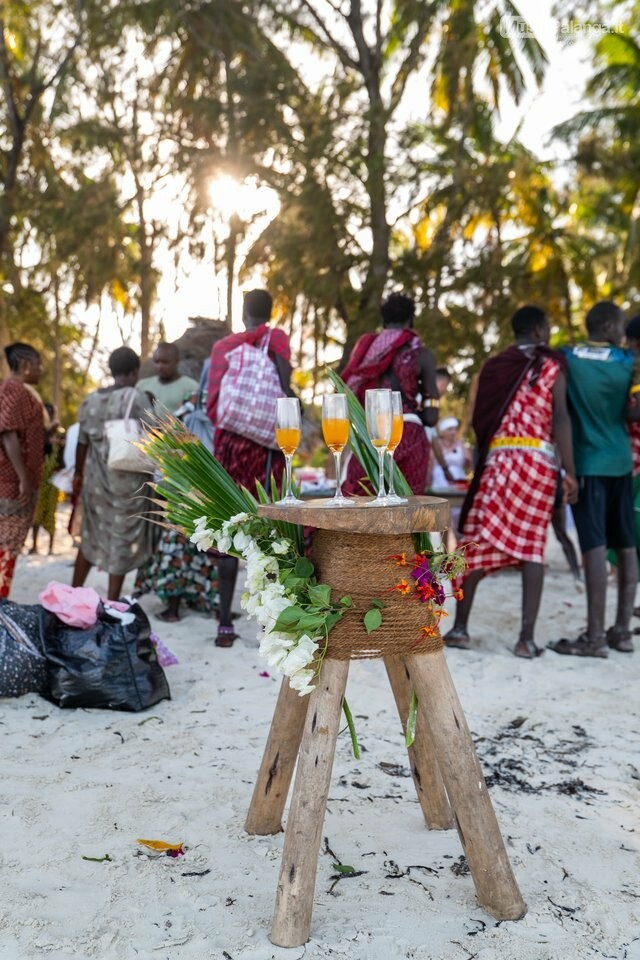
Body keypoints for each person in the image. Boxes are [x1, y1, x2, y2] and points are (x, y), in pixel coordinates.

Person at [446, 305, 578, 658]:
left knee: (475, 541)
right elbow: (561, 420)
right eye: (548, 326)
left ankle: (460, 629)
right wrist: (570, 471)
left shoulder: (493, 367)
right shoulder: (551, 366)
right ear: (537, 330)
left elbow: (480, 422)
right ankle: (526, 639)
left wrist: (481, 461)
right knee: (532, 547)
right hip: (537, 464)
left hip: (498, 463)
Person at [550, 302, 639, 658]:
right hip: (620, 460)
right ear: (606, 326)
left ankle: (595, 637)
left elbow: (562, 418)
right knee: (626, 542)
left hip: (587, 462)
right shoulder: (627, 361)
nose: (621, 333)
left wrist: (568, 471)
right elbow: (633, 412)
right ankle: (621, 632)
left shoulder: (566, 357)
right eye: (618, 326)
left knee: (594, 546)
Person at [206, 288, 293, 647]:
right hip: (265, 450)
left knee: (228, 525)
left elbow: (212, 402)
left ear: (244, 313)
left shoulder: (224, 346)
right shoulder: (278, 341)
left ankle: (225, 622)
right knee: (265, 528)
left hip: (229, 445)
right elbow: (285, 389)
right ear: (269, 313)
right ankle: (267, 617)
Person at [72, 346, 154, 601]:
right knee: (120, 540)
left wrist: (78, 475)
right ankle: (111, 601)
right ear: (134, 372)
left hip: (96, 483)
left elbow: (82, 443)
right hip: (127, 485)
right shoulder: (137, 397)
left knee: (91, 537)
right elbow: (153, 436)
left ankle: (73, 594)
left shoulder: (90, 401)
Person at [341, 292, 439, 495]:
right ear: (411, 320)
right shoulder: (421, 354)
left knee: (359, 503)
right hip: (410, 434)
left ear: (384, 321)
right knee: (409, 510)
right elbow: (432, 417)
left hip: (371, 436)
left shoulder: (368, 350)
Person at [0, 343, 46, 598]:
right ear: (25, 365)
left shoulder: (14, 392)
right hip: (10, 485)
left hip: (12, 482)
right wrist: (23, 479)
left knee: (7, 547)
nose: (40, 370)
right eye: (38, 364)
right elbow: (8, 434)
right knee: (6, 547)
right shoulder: (14, 389)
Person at [30, 403, 63, 555]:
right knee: (37, 512)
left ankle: (50, 547)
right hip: (39, 478)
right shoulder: (39, 432)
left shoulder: (60, 433)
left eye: (51, 412)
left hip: (54, 479)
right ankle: (34, 545)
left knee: (51, 511)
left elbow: (63, 458)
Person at [137, 342, 198, 414]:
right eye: (156, 362)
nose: (160, 366)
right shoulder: (142, 385)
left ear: (177, 361)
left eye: (165, 362)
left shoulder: (191, 387)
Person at [429, 417, 472, 488]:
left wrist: (468, 459)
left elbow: (468, 464)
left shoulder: (461, 444)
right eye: (450, 429)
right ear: (443, 431)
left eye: (455, 429)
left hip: (458, 481)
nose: (453, 432)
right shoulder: (436, 445)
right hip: (438, 482)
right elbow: (430, 463)